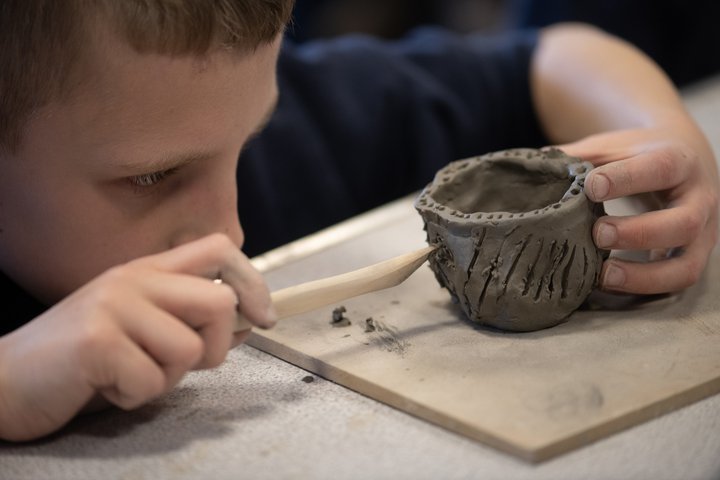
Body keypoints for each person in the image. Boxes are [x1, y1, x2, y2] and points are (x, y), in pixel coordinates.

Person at [0, 0, 716, 442]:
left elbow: (556, 56)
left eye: (247, 144)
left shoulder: (266, 115)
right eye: (151, 177)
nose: (231, 232)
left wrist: (663, 139)